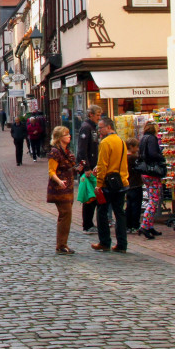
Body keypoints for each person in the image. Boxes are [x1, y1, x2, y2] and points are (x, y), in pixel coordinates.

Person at [92, 117, 129, 253]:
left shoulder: (105, 142)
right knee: (119, 213)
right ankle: (122, 244)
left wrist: (99, 184)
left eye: (100, 128)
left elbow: (102, 165)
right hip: (121, 181)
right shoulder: (121, 141)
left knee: (102, 212)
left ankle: (104, 242)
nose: (99, 130)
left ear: (108, 127)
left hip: (108, 183)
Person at [47, 126, 78, 255]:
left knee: (66, 215)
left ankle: (62, 244)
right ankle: (61, 244)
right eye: (66, 134)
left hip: (68, 187)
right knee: (66, 214)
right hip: (59, 188)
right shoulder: (55, 152)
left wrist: (78, 168)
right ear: (59, 137)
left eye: (69, 134)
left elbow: (68, 168)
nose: (69, 136)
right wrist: (59, 181)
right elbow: (51, 171)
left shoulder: (67, 151)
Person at [138, 122, 166, 239]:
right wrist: (162, 156)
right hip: (152, 173)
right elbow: (153, 153)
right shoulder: (152, 139)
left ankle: (149, 225)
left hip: (145, 173)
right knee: (154, 200)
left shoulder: (143, 138)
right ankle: (145, 225)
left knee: (151, 197)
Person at [77, 105, 102, 233]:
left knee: (93, 196)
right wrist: (86, 167)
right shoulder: (86, 128)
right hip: (89, 168)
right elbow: (82, 150)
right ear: (90, 114)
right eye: (97, 114)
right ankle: (87, 224)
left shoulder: (93, 128)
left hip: (93, 166)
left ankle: (90, 223)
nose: (99, 117)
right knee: (89, 197)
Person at [124, 137, 142, 234]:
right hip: (135, 184)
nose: (138, 149)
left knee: (129, 205)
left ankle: (128, 225)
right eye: (136, 147)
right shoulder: (134, 158)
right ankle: (135, 225)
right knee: (136, 206)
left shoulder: (124, 158)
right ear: (131, 147)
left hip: (128, 185)